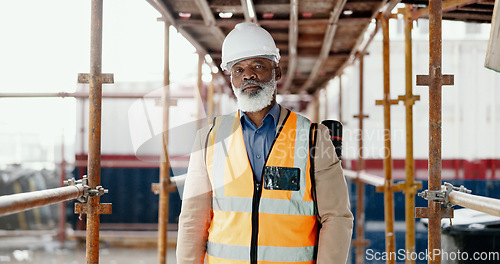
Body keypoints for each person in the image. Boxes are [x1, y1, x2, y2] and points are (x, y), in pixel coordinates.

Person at [177, 22, 353, 264]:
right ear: (232, 80)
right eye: (237, 70)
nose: (247, 75)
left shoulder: (313, 137)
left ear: (277, 72)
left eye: (257, 66)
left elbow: (336, 217)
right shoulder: (209, 138)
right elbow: (192, 220)